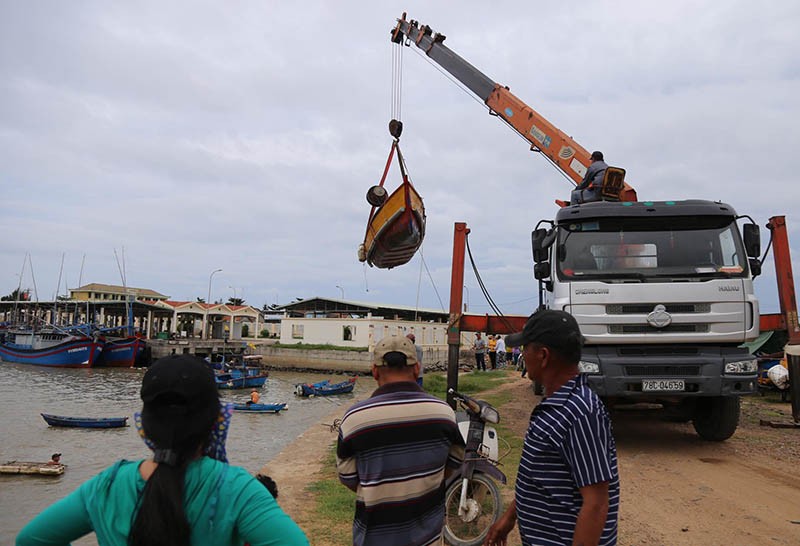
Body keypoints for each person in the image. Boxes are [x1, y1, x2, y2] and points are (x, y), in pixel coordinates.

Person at [16, 355, 309, 546]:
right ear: (219, 420)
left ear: (144, 424)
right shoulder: (239, 490)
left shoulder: (106, 486)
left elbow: (31, 540)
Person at [485, 310, 619, 546]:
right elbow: (540, 478)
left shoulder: (580, 411)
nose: (523, 355)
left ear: (543, 356)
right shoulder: (557, 405)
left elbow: (596, 503)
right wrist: (509, 517)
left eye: (526, 348)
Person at [336, 336, 464, 546]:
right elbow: (455, 462)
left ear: (375, 371)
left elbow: (348, 477)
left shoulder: (355, 419)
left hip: (373, 538)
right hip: (428, 537)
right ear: (417, 369)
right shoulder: (443, 413)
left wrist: (379, 487)